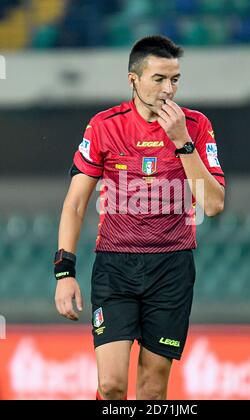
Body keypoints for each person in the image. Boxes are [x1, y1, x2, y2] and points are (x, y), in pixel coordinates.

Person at [54, 35, 225, 400]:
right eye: (159, 79)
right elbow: (75, 204)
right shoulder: (104, 126)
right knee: (112, 384)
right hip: (115, 266)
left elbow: (212, 205)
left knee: (151, 389)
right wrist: (64, 272)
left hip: (171, 268)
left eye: (175, 79)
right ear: (134, 79)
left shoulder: (195, 126)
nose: (168, 89)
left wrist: (182, 141)